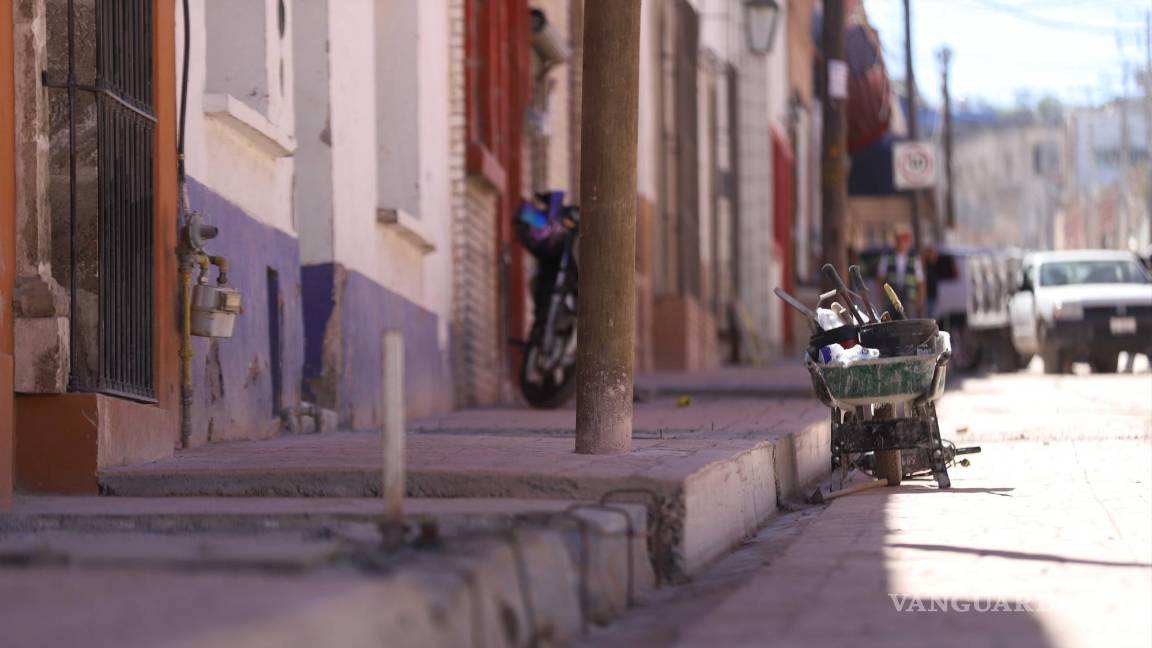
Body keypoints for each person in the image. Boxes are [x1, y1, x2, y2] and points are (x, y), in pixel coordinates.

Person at [877, 230, 924, 317]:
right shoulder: (888, 256)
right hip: (891, 299)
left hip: (909, 299)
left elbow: (920, 281)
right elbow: (880, 277)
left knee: (906, 323)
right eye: (900, 241)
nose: (902, 243)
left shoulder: (914, 258)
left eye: (905, 241)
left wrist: (920, 301)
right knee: (891, 323)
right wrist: (882, 297)